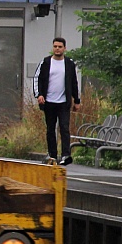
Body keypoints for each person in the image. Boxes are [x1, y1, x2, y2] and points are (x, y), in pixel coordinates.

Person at [33, 37, 80, 165]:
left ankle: (65, 154)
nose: (57, 49)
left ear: (64, 48)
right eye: (55, 46)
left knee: (64, 127)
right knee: (50, 129)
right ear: (52, 48)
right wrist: (39, 95)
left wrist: (77, 100)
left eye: (60, 47)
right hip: (49, 102)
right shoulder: (46, 62)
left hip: (64, 102)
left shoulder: (69, 64)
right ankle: (52, 154)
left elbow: (74, 82)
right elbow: (37, 79)